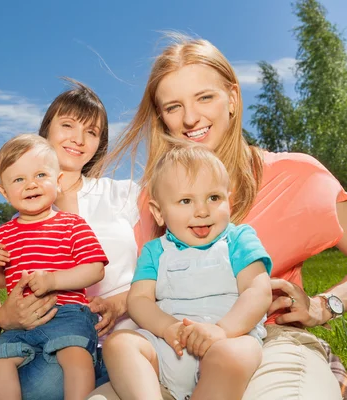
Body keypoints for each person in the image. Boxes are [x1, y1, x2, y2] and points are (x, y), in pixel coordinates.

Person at [99, 35, 346, 400]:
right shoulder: (155, 200)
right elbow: (158, 281)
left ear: (232, 98)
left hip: (266, 340)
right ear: (162, 119)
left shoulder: (299, 175)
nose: (190, 118)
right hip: (173, 344)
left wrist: (326, 305)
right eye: (173, 107)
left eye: (205, 97)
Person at [0, 80, 141, 400]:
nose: (78, 138)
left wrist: (122, 302)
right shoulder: (20, 216)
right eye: (68, 125)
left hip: (124, 342)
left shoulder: (125, 193)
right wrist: (5, 316)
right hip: (42, 344)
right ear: (46, 131)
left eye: (92, 131)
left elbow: (165, 262)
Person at [105, 142, 272, 400]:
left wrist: (223, 330)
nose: (202, 211)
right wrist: (167, 327)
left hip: (228, 338)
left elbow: (258, 290)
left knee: (233, 357)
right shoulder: (155, 251)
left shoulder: (238, 239)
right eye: (185, 200)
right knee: (119, 344)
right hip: (169, 345)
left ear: (229, 199)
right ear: (159, 212)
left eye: (213, 198)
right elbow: (138, 300)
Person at [0, 134, 108, 400]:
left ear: (58, 181)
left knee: (75, 355)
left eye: (41, 175)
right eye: (19, 179)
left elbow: (95, 268)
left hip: (66, 312)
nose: (31, 185)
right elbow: (1, 281)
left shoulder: (72, 224)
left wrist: (53, 281)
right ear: (4, 192)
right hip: (20, 323)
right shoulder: (4, 233)